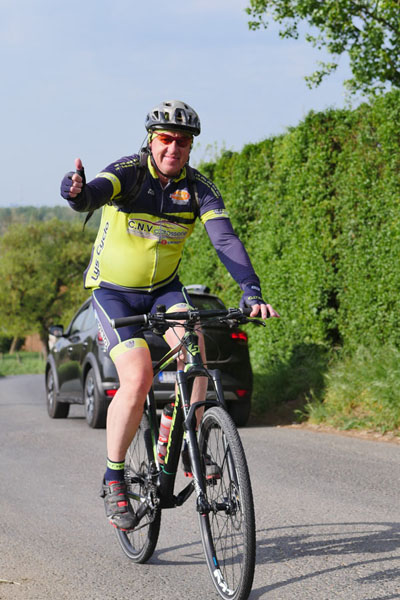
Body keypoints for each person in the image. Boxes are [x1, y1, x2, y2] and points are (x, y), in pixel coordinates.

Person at [60, 100, 280, 531]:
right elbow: (94, 194)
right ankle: (114, 477)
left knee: (194, 350)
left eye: (182, 142)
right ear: (151, 139)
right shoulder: (129, 172)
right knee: (138, 377)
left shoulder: (198, 188)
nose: (173, 148)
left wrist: (251, 290)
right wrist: (78, 193)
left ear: (190, 147)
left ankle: (191, 445)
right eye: (166, 139)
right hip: (113, 293)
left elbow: (225, 240)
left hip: (163, 291)